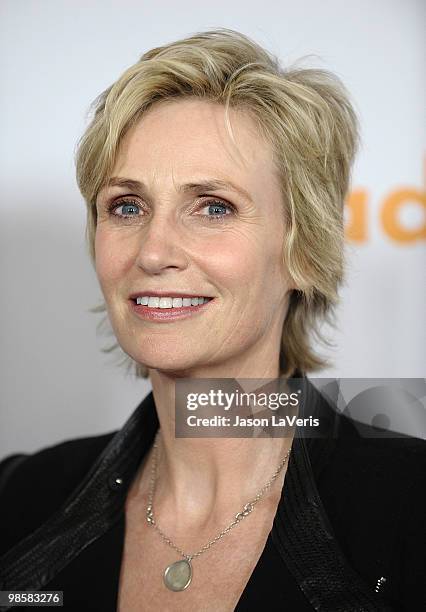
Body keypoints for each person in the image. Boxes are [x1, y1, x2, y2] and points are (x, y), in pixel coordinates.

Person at [0, 28, 424, 612]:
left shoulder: (409, 507)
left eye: (213, 207)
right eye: (126, 206)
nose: (153, 252)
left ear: (303, 251)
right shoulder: (22, 500)